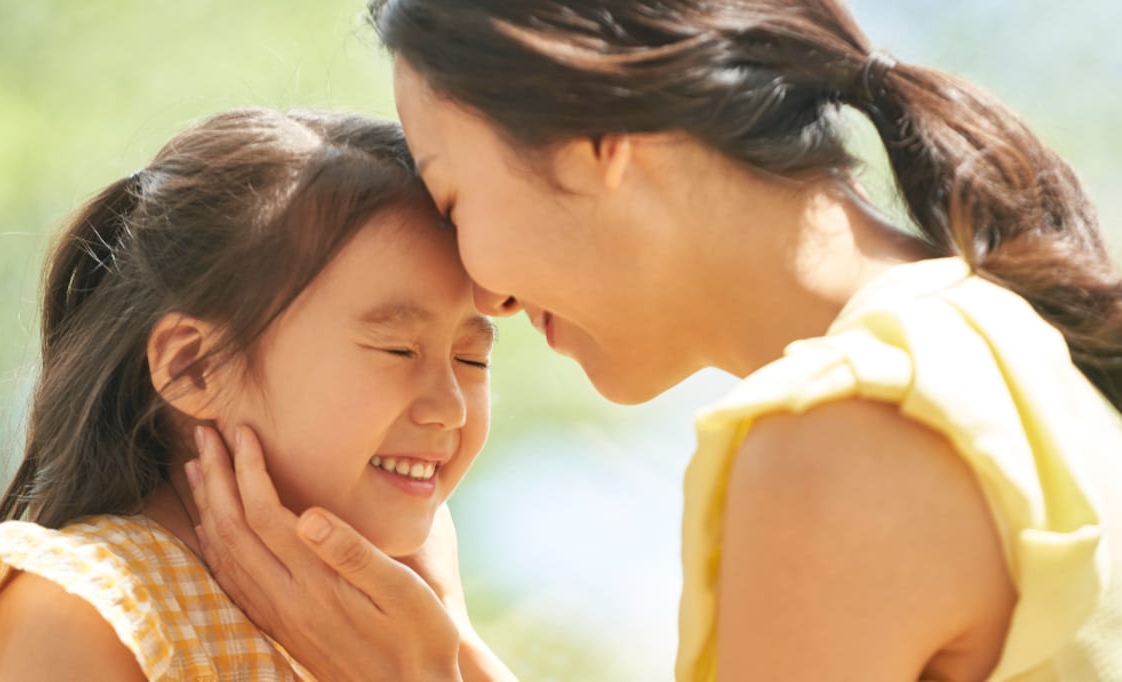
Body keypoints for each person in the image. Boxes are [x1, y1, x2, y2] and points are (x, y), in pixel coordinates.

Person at [186, 0, 1122, 680]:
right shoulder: (1001, 339)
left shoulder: (842, 440)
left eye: (454, 200)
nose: (485, 295)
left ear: (598, 133)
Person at [0, 107, 510, 680]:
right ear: (195, 367)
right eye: (399, 350)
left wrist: (456, 649)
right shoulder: (83, 612)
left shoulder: (380, 641)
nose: (451, 406)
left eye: (471, 358)